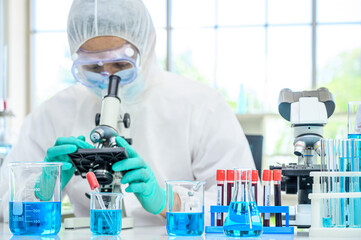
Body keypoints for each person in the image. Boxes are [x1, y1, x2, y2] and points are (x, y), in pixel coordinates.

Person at [0, 0, 255, 226]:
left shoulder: (202, 106)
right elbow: (2, 203)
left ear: (145, 47)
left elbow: (243, 205)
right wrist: (41, 191)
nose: (108, 76)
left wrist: (171, 203)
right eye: (92, 66)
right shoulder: (52, 113)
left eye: (121, 64)